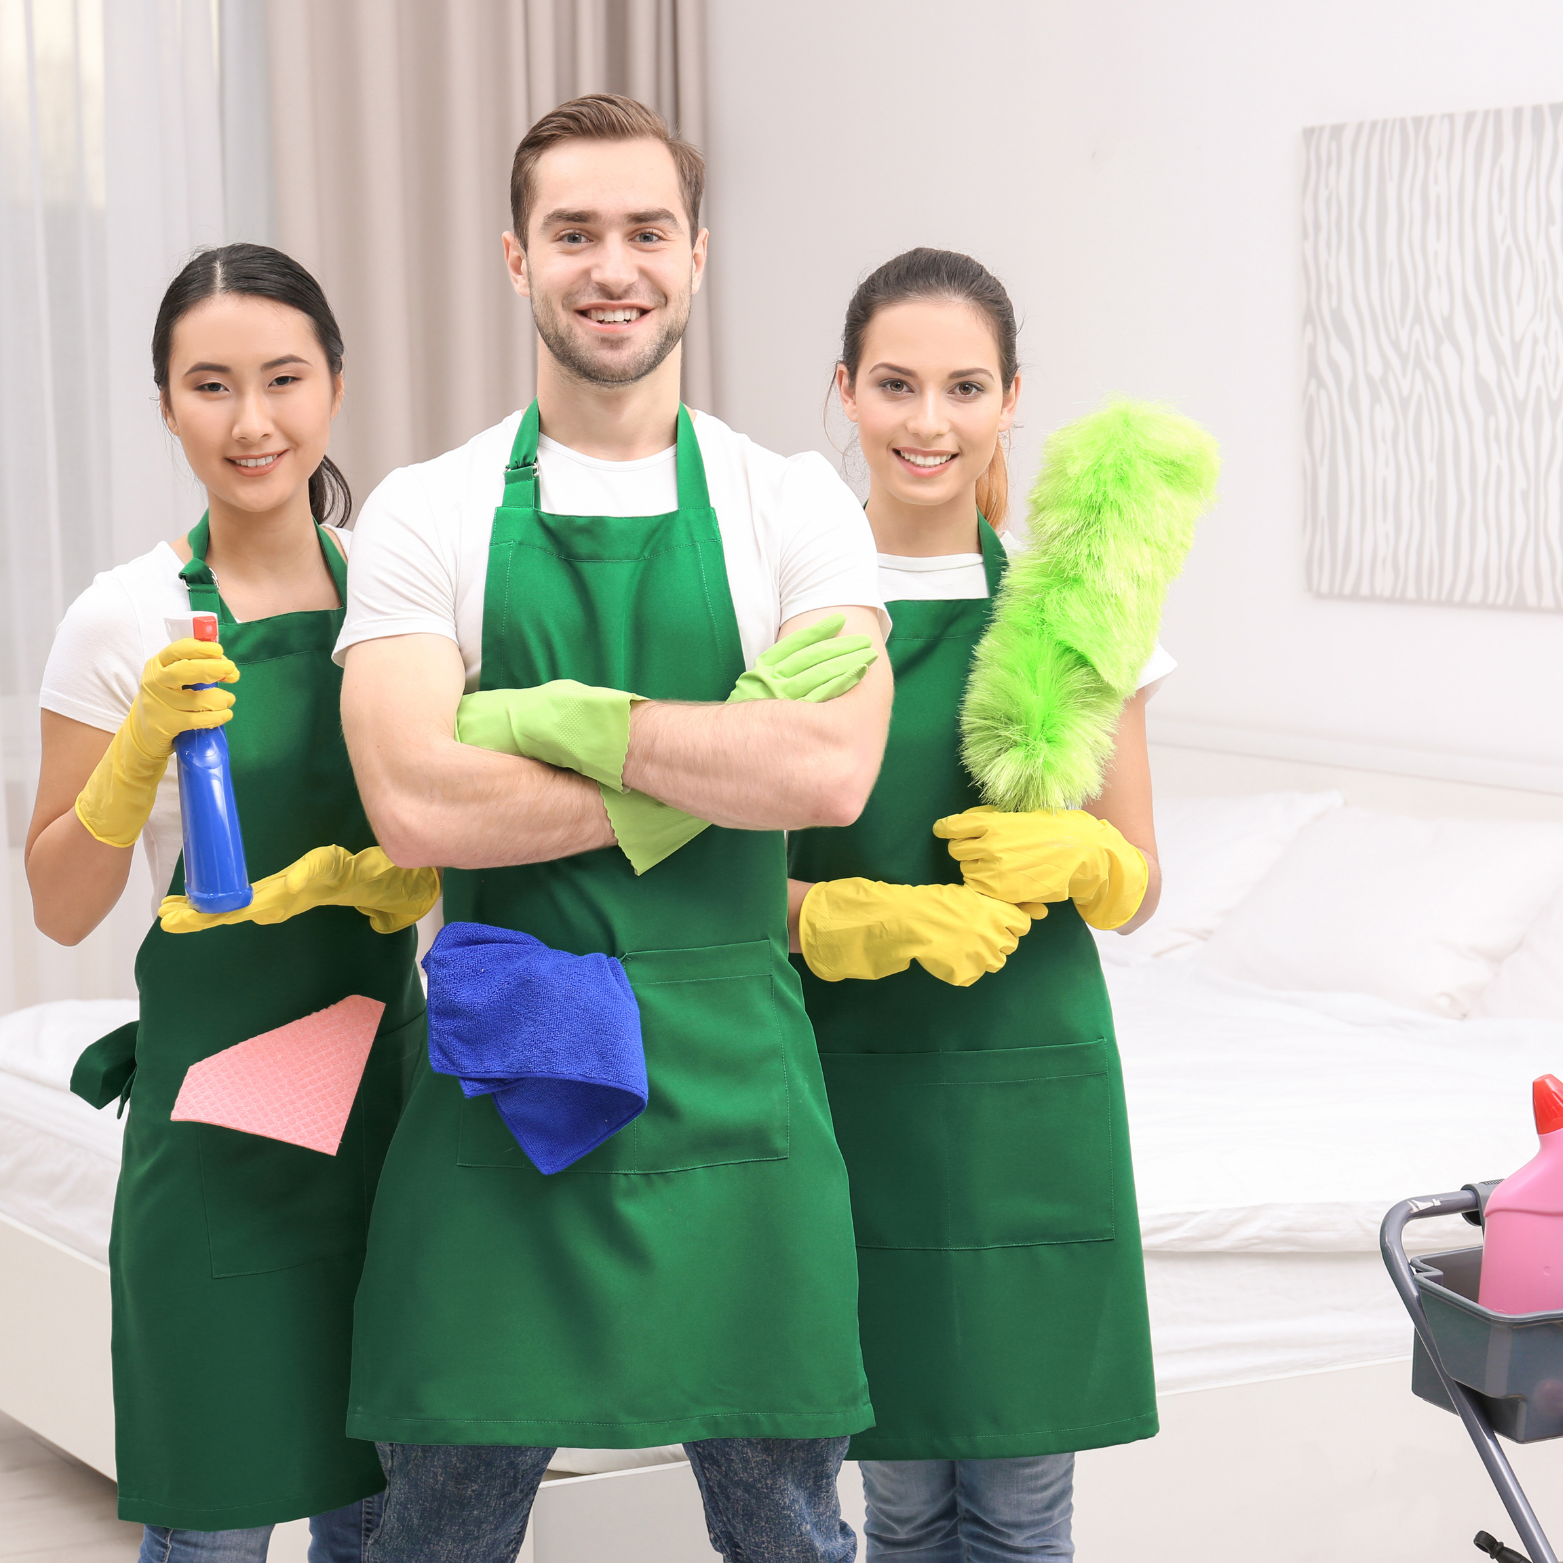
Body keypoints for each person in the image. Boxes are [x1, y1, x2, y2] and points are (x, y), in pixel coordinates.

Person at [333, 96, 892, 1563]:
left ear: (696, 254)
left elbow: (830, 769)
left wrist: (553, 720)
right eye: (573, 232)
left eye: (646, 230)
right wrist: (707, 763)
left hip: (736, 1091)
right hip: (502, 1073)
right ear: (516, 256)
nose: (612, 265)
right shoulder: (428, 509)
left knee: (787, 1532)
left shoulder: (794, 503)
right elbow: (413, 798)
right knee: (437, 1531)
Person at [28, 244, 437, 1562]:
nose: (251, 420)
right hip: (218, 1127)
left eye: (282, 378)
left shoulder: (399, 592)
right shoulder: (120, 617)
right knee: (211, 1521)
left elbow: (461, 814)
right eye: (210, 385)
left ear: (335, 386)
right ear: (165, 404)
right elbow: (58, 904)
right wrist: (133, 757)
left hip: (383, 1105)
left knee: (377, 1511)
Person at [786, 249, 1170, 1561]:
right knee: (895, 1501)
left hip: (1027, 1092)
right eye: (895, 384)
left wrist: (1082, 860)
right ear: (846, 389)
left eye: (964, 387)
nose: (928, 422)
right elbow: (717, 884)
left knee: (1019, 1508)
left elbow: (1138, 881)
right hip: (848, 1085)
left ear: (1011, 398)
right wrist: (846, 916)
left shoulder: (1073, 616)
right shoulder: (784, 606)